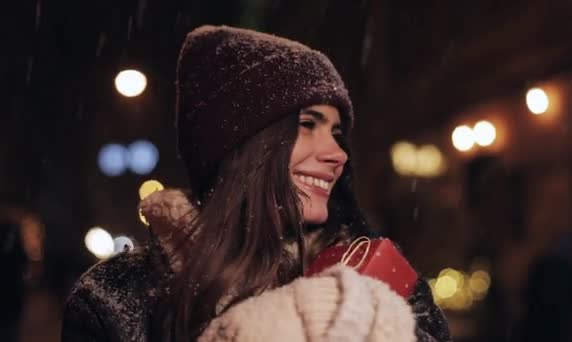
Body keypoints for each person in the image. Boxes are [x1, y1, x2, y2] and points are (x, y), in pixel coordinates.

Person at [61, 25, 451, 341]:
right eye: (308, 124)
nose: (338, 153)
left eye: (336, 132)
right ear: (243, 147)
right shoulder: (116, 297)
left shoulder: (382, 282)